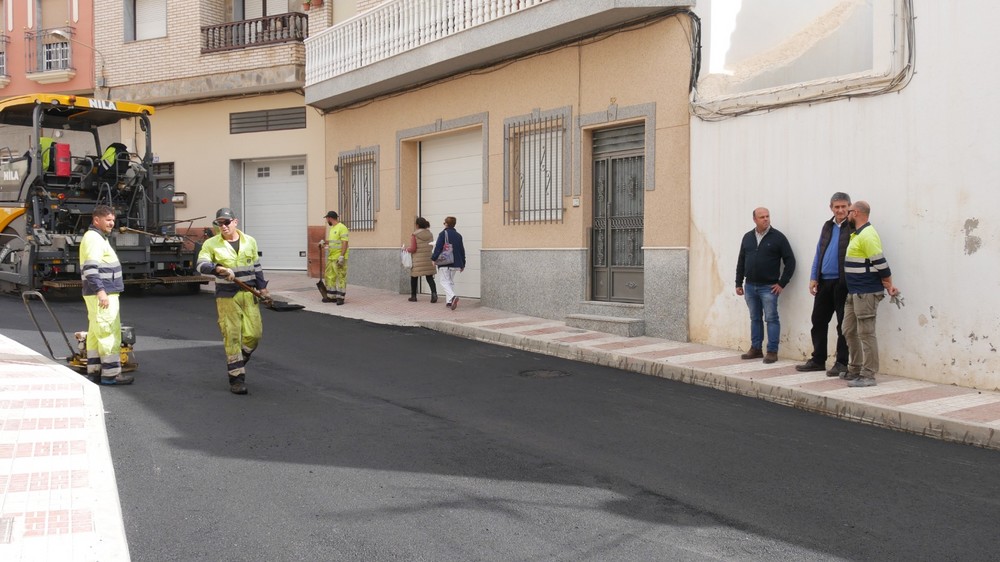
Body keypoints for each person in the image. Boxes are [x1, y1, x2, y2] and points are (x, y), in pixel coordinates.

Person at [196, 208, 270, 395]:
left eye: (226, 222)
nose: (223, 226)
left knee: (255, 334)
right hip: (227, 296)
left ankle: (239, 359)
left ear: (235, 222)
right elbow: (200, 265)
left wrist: (263, 289)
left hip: (249, 294)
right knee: (232, 335)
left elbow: (257, 266)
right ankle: (236, 379)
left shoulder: (249, 241)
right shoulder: (211, 244)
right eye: (219, 223)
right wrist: (218, 269)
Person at [796, 192, 855, 376]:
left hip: (842, 283)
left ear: (849, 207)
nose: (840, 210)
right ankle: (818, 359)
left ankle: (841, 363)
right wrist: (814, 277)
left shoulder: (853, 227)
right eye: (836, 207)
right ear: (831, 208)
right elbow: (819, 252)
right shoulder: (827, 226)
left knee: (842, 325)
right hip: (824, 281)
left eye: (844, 206)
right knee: (818, 321)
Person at [841, 201, 899, 387]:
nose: (846, 215)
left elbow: (881, 263)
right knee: (848, 330)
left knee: (866, 333)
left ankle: (868, 375)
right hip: (854, 292)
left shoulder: (867, 235)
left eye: (848, 211)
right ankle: (855, 368)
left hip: (865, 292)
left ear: (855, 213)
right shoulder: (857, 234)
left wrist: (889, 284)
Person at [79, 205, 133, 385]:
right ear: (96, 220)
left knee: (95, 333)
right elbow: (91, 269)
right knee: (108, 331)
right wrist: (101, 291)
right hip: (103, 294)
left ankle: (94, 371)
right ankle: (111, 374)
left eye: (113, 220)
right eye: (108, 220)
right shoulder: (94, 238)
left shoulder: (97, 237)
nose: (112, 223)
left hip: (100, 293)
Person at [735, 207, 796, 364]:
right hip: (750, 286)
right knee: (755, 318)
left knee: (771, 318)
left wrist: (782, 283)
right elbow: (741, 260)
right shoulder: (747, 237)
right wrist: (738, 282)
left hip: (768, 287)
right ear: (754, 219)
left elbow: (790, 261)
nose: (766, 219)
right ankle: (756, 349)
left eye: (767, 216)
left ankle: (772, 351)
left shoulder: (778, 237)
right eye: (762, 217)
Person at [431, 216, 466, 311]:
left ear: (446, 224)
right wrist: (463, 263)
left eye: (444, 223)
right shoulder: (458, 235)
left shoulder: (443, 234)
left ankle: (453, 297)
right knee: (449, 281)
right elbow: (462, 250)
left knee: (443, 281)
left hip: (445, 262)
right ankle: (449, 301)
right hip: (456, 263)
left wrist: (434, 259)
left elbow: (438, 248)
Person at [404, 216, 438, 303]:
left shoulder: (415, 235)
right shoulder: (430, 234)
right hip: (428, 258)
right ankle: (434, 294)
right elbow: (431, 245)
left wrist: (406, 249)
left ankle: (413, 296)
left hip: (418, 260)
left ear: (417, 225)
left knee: (414, 277)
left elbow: (413, 249)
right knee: (429, 277)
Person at [319, 211, 349, 305]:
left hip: (338, 257)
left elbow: (345, 242)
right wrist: (324, 243)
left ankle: (340, 297)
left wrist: (342, 256)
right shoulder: (332, 229)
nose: (327, 220)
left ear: (330, 218)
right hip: (331, 257)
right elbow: (334, 242)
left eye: (327, 218)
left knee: (340, 276)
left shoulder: (342, 227)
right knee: (329, 276)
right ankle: (331, 296)